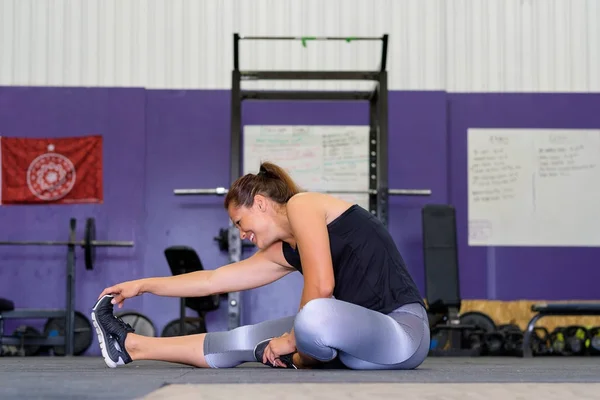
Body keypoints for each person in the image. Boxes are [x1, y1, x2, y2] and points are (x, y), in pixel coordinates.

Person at [91, 161, 430, 370]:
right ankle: (134, 347)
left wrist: (291, 339)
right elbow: (213, 280)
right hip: (353, 345)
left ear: (262, 203)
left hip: (401, 334)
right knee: (244, 336)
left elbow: (322, 286)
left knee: (312, 316)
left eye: (240, 221)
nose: (242, 233)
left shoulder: (303, 205)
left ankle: (296, 354)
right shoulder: (284, 250)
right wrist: (143, 285)